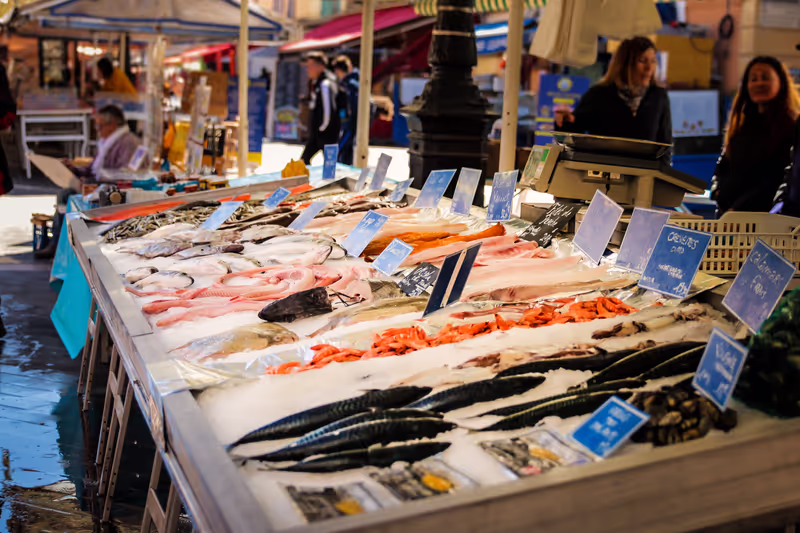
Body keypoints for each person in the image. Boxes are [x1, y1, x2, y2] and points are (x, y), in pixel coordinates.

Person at [35, 105, 141, 259]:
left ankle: (57, 244)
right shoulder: (108, 141)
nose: (97, 130)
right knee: (64, 194)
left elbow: (124, 173)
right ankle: (57, 243)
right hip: (97, 184)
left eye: (100, 126)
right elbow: (93, 167)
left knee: (67, 195)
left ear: (112, 124)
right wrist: (74, 168)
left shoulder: (128, 143)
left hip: (110, 189)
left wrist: (92, 181)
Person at [555, 36, 672, 158]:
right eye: (642, 61)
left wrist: (662, 174)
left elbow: (665, 144)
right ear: (625, 64)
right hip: (603, 172)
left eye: (653, 61)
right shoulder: (598, 95)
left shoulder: (658, 96)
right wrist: (564, 121)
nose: (649, 68)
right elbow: (573, 137)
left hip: (645, 175)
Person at [711, 56, 800, 216]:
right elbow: (723, 166)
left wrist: (739, 208)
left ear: (781, 82)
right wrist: (716, 191)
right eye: (753, 79)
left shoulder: (790, 128)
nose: (759, 83)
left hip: (760, 221)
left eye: (765, 78)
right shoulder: (741, 127)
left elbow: (776, 179)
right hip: (728, 219)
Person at [301, 51, 340, 165]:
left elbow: (328, 110)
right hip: (317, 134)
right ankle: (306, 182)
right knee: (304, 161)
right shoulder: (316, 83)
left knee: (330, 166)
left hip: (326, 134)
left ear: (320, 67)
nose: (308, 69)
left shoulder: (325, 84)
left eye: (310, 66)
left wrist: (322, 128)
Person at [332, 55, 359, 165]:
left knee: (341, 151)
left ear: (338, 71)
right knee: (347, 152)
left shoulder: (349, 85)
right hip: (352, 123)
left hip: (350, 124)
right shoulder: (356, 81)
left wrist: (345, 118)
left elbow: (350, 107)